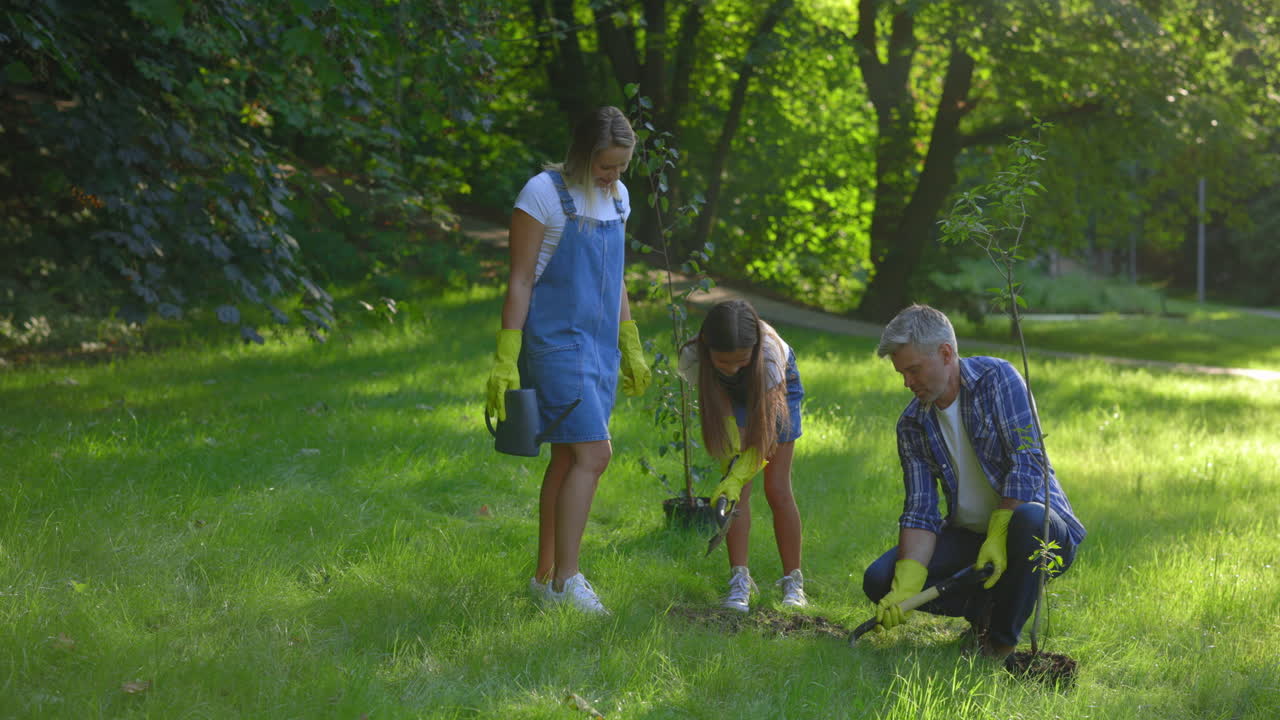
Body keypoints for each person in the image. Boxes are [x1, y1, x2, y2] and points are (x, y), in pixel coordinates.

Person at [485, 106, 651, 615]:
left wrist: (631, 342)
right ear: (581, 154)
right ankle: (567, 581)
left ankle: (543, 579)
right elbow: (520, 279)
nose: (614, 177)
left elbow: (616, 274)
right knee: (593, 456)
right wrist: (506, 355)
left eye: (621, 167)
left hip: (598, 348)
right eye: (606, 166)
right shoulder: (542, 193)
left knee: (566, 457)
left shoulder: (619, 197)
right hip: (555, 345)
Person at [864, 304, 1085, 661]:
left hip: (1039, 532)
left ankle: (998, 645)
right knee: (878, 579)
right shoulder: (912, 424)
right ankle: (984, 611)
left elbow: (1029, 459)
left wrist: (999, 530)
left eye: (914, 369)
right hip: (970, 540)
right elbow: (920, 510)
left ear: (946, 353)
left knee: (1026, 521)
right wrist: (906, 581)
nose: (907, 382)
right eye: (901, 373)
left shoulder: (997, 378)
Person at [678, 299, 807, 611]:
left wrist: (738, 473)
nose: (733, 369)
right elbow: (719, 403)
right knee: (739, 495)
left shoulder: (769, 355)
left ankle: (793, 581)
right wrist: (733, 470)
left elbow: (764, 430)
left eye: (740, 362)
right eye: (724, 364)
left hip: (776, 392)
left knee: (777, 489)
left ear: (754, 349)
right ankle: (740, 579)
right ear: (708, 349)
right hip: (729, 400)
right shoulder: (693, 356)